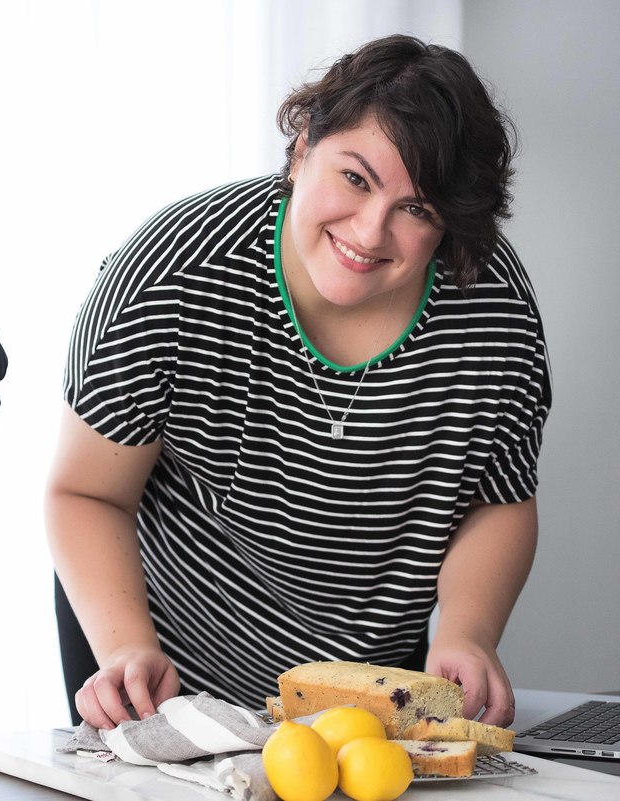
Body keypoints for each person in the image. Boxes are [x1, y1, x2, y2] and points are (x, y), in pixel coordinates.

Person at [46, 34, 551, 733]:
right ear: (302, 146)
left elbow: (500, 498)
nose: (371, 231)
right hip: (165, 663)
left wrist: (468, 628)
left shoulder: (493, 309)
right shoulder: (169, 275)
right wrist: (128, 647)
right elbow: (85, 490)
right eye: (356, 177)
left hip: (375, 688)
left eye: (419, 209)